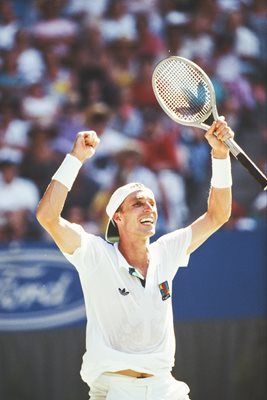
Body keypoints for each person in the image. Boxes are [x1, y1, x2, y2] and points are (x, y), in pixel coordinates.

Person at [36, 116, 234, 400]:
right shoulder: (94, 254)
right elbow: (47, 216)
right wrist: (75, 158)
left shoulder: (167, 250)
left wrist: (220, 154)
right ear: (118, 217)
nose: (149, 209)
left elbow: (218, 215)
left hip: (166, 388)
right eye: (138, 204)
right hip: (114, 390)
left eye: (152, 203)